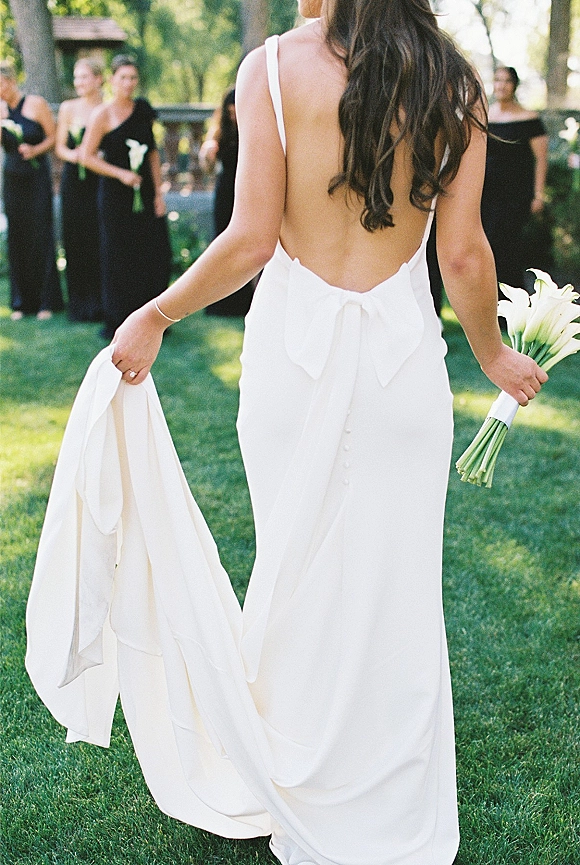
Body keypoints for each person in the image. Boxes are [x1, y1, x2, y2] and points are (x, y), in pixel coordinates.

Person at [31, 3, 547, 864]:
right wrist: (490, 354)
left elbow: (249, 239)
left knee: (293, 570)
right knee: (397, 586)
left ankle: (292, 771)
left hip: (291, 366)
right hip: (401, 366)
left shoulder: (271, 67)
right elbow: (462, 254)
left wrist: (156, 314)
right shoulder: (454, 82)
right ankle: (386, 798)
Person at [80, 55, 171, 340]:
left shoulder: (143, 111)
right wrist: (119, 174)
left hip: (144, 190)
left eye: (133, 78)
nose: (129, 83)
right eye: (123, 78)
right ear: (112, 80)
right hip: (115, 196)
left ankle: (151, 319)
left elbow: (153, 153)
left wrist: (158, 192)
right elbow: (86, 156)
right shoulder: (102, 115)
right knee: (118, 255)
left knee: (151, 252)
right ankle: (119, 319)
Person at [0, 63, 63, 320]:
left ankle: (47, 301)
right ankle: (21, 302)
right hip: (12, 180)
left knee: (40, 234)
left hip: (36, 178)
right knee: (17, 236)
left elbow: (54, 137)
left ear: (11, 81)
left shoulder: (35, 104)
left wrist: (35, 151)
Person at [481, 66, 549, 289]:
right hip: (487, 194)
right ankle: (491, 303)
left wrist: (538, 195)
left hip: (517, 194)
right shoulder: (484, 116)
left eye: (507, 81)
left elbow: (540, 159)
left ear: (514, 85)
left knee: (509, 247)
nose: (501, 85)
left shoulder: (530, 119)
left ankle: (514, 301)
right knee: (488, 245)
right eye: (497, 80)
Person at [199, 88, 256, 316]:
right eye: (230, 112)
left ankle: (243, 299)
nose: (233, 116)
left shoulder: (253, 128)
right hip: (226, 191)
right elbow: (208, 169)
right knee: (222, 241)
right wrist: (207, 155)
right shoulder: (220, 133)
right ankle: (220, 299)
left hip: (248, 189)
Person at [55, 58, 104, 322]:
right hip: (74, 181)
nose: (79, 82)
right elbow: (60, 147)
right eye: (76, 77)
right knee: (76, 238)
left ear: (99, 79)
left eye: (84, 77)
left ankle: (102, 301)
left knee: (100, 237)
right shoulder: (68, 108)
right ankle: (79, 304)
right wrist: (78, 156)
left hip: (100, 179)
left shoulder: (106, 108)